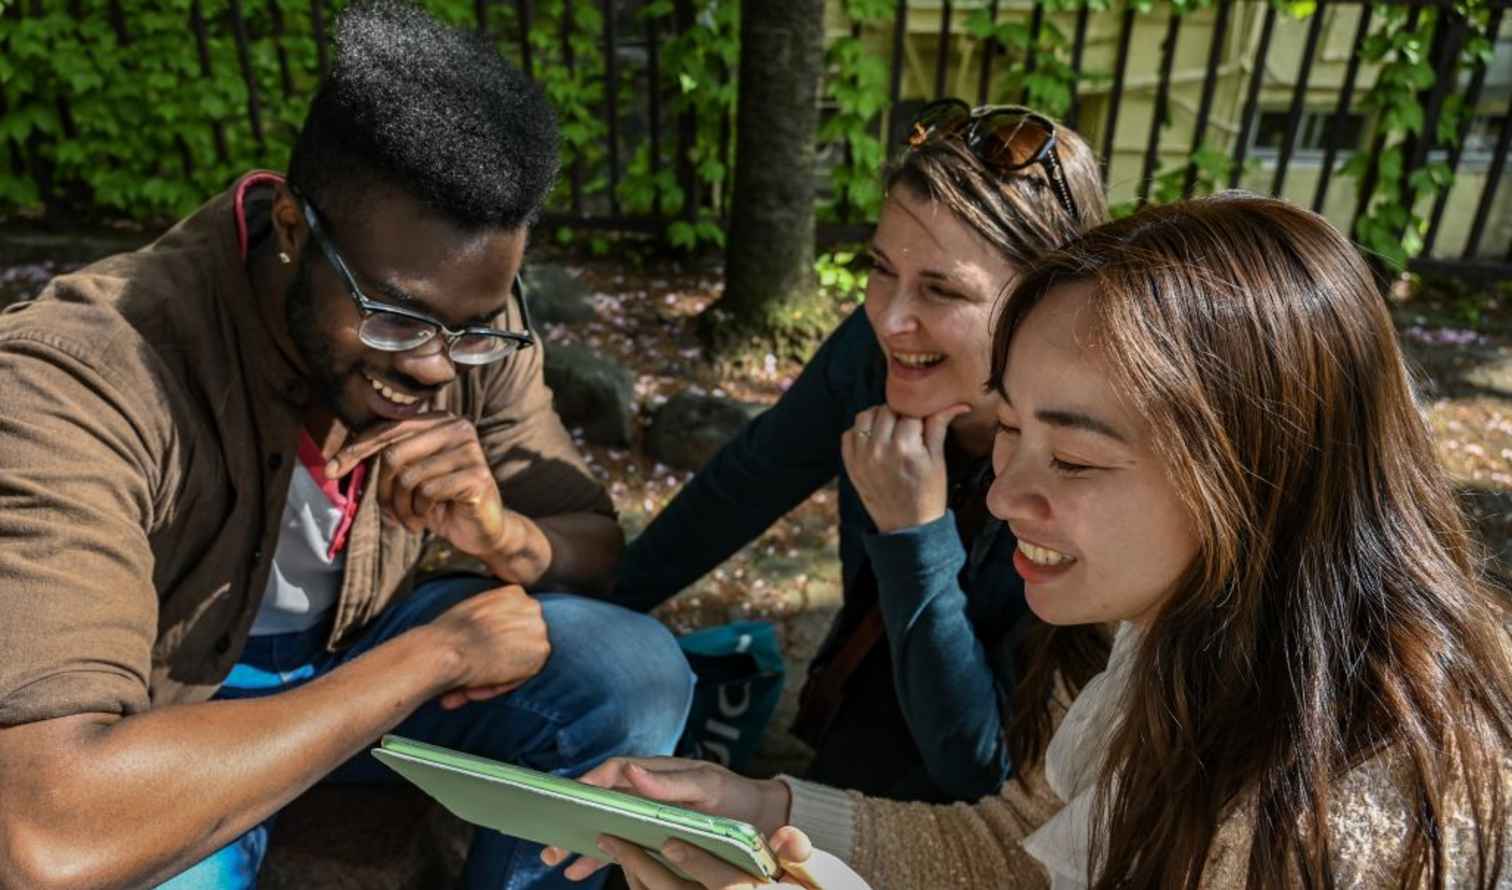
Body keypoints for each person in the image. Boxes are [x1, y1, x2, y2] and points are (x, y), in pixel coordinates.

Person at [549, 194, 1512, 889]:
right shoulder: (1172, 619)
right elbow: (1024, 845)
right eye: (1007, 429)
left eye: (1078, 461)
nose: (1005, 494)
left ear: (1261, 475)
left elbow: (980, 774)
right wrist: (760, 809)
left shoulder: (1350, 816)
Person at [0, 4, 693, 889]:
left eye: (475, 327)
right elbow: (47, 830)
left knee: (632, 673)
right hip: (170, 708)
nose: (441, 368)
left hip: (363, 648)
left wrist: (501, 537)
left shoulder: (458, 311)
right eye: (398, 320)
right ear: (292, 230)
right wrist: (433, 655)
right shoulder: (81, 375)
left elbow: (589, 541)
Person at [611, 99, 1107, 806]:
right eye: (881, 269)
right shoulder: (874, 353)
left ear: (1044, 302)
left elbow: (981, 768)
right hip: (878, 687)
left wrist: (915, 534)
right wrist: (595, 607)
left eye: (940, 288)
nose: (889, 317)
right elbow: (751, 478)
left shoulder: (1095, 460)